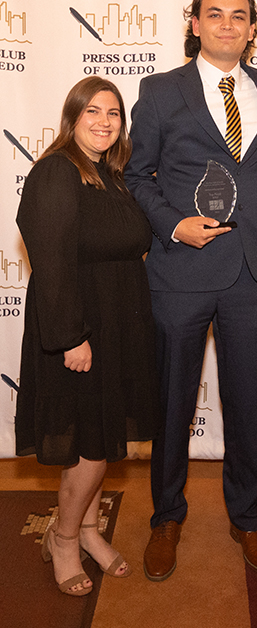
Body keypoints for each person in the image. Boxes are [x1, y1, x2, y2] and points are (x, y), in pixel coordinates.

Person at [124, 0, 257, 579]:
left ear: (251, 27)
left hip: (249, 271)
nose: (226, 25)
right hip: (181, 270)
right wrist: (172, 227)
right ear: (194, 23)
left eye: (238, 16)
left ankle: (247, 519)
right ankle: (166, 517)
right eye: (214, 15)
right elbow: (138, 176)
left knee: (246, 405)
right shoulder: (161, 91)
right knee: (173, 406)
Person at [16, 76, 159, 596]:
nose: (104, 122)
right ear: (72, 117)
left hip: (118, 323)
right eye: (92, 112)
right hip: (79, 327)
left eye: (114, 114)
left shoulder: (111, 174)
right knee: (87, 448)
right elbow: (51, 264)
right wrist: (72, 336)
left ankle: (91, 529)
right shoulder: (56, 172)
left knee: (103, 439)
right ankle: (64, 537)